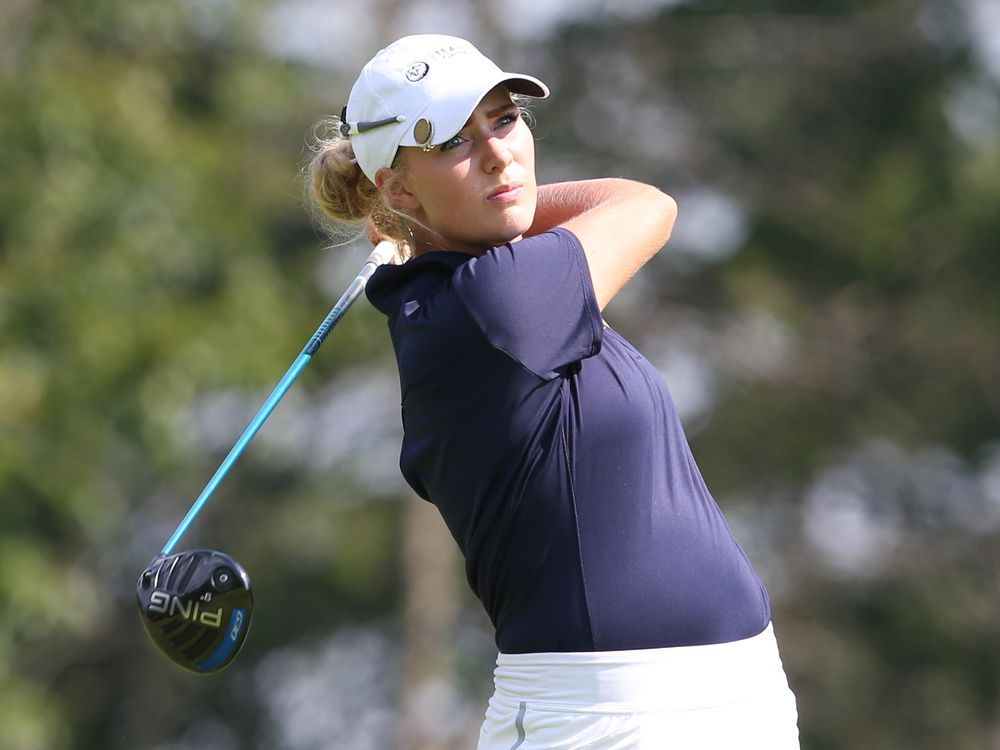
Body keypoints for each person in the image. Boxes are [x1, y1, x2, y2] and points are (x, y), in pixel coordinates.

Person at [307, 33, 800, 749]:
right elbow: (644, 205)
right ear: (398, 187)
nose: (500, 152)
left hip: (731, 704)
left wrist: (439, 216)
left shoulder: (484, 293)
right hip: (606, 723)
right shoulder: (494, 304)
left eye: (504, 119)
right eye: (453, 142)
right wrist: (454, 220)